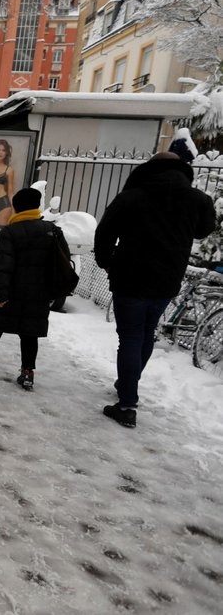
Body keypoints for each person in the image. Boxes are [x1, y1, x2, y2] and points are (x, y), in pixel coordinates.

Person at [93, 151, 215, 428]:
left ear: (149, 169)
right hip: (167, 279)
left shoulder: (132, 197)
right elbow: (203, 230)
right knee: (146, 332)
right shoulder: (197, 200)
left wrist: (107, 261)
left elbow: (105, 232)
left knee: (131, 337)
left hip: (129, 277)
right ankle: (128, 383)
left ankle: (126, 403)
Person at [0, 187, 68, 391]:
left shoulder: (9, 232)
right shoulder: (52, 231)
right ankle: (27, 372)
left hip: (12, 289)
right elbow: (61, 262)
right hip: (39, 292)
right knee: (29, 332)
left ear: (16, 207)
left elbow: (2, 266)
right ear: (37, 206)